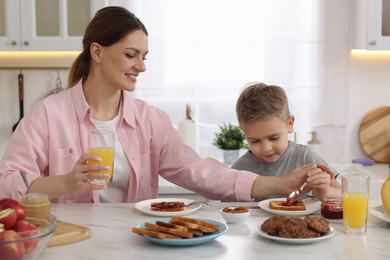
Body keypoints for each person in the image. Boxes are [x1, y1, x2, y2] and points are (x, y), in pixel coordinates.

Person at [0, 7, 332, 203]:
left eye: (144, 57)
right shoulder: (47, 114)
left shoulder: (151, 121)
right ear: (97, 52)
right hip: (68, 243)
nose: (141, 66)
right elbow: (6, 181)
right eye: (131, 55)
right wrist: (65, 183)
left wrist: (280, 184)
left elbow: (199, 173)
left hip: (136, 240)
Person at [232, 82, 341, 201]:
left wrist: (327, 191)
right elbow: (228, 207)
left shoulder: (305, 157)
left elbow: (346, 194)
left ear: (289, 124)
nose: (266, 148)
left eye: (274, 138)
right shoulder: (239, 168)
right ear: (244, 134)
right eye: (255, 141)